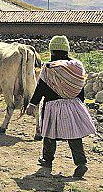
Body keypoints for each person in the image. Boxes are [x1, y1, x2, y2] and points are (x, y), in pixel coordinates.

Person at [26, 35, 96, 178]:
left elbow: (40, 88)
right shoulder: (77, 67)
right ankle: (81, 163)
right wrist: (79, 104)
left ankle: (47, 160)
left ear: (52, 51)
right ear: (67, 50)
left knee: (49, 133)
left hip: (53, 106)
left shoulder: (49, 68)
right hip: (73, 104)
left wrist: (32, 104)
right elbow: (80, 87)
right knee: (74, 135)